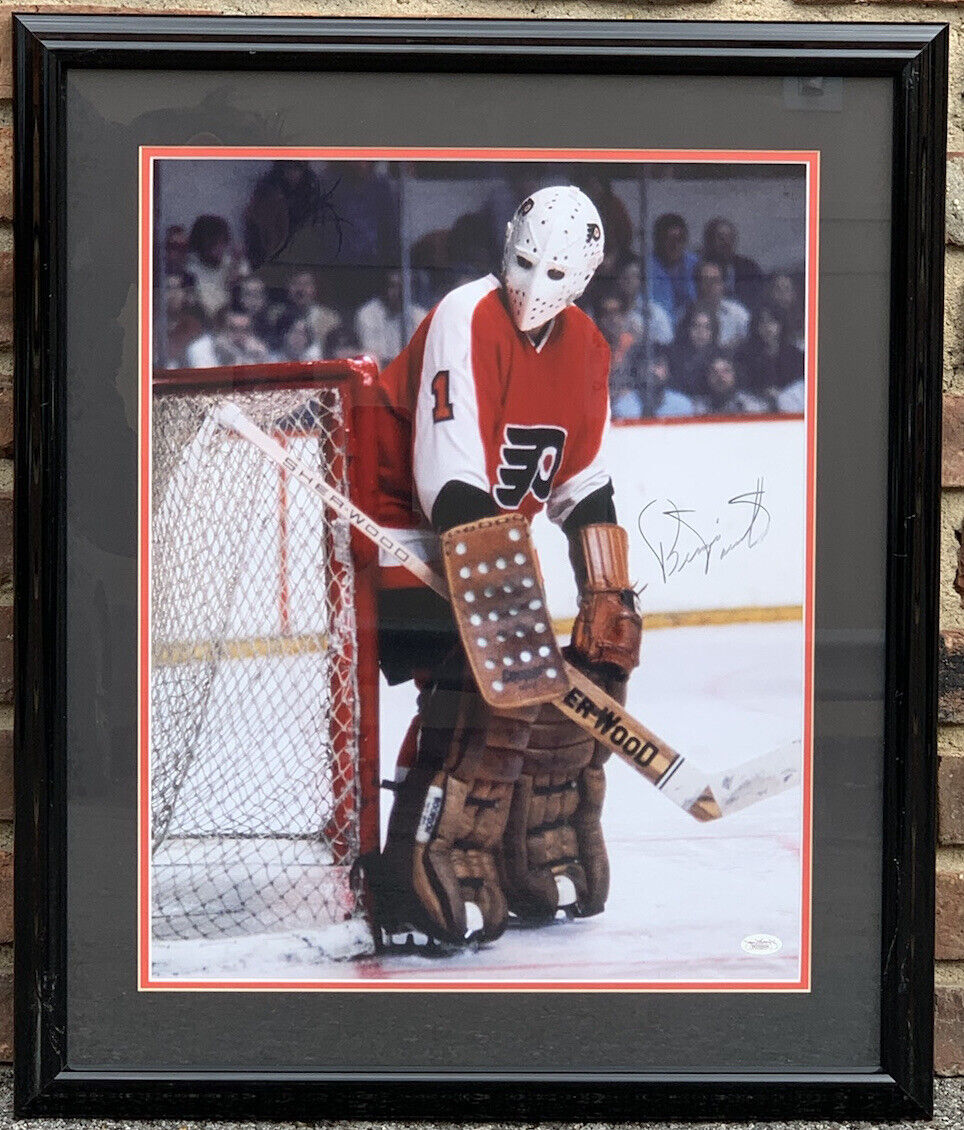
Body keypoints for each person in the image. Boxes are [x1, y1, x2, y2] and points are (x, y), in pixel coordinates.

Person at [367, 185, 642, 949]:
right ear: (507, 244)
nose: (532, 285)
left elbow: (581, 482)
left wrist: (605, 586)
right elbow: (445, 481)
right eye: (523, 261)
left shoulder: (587, 347)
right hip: (401, 540)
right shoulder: (467, 312)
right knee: (487, 694)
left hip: (486, 551)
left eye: (553, 272)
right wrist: (503, 599)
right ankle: (414, 862)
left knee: (585, 669)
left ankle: (522, 853)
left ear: (584, 275)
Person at [354, 269, 427, 369]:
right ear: (384, 288)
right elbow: (373, 357)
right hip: (381, 374)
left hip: (410, 373)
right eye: (393, 286)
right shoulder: (367, 313)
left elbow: (421, 355)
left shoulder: (420, 315)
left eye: (402, 287)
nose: (398, 292)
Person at [183, 214, 249, 320]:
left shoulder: (234, 262)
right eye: (214, 244)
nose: (220, 248)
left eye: (223, 242)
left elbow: (243, 296)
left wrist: (235, 266)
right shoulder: (191, 268)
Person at [735, 305, 804, 404]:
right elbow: (743, 384)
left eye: (771, 321)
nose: (767, 327)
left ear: (780, 324)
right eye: (762, 322)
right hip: (755, 402)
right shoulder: (744, 355)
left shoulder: (795, 355)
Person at [612, 345, 695, 421]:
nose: (651, 369)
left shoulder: (682, 406)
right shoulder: (623, 406)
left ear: (668, 370)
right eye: (646, 364)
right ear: (638, 370)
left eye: (658, 364)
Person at [701, 217, 764, 310]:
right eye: (721, 238)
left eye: (730, 238)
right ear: (709, 241)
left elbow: (757, 302)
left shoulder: (749, 269)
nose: (726, 243)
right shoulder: (698, 268)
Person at [648, 213, 699, 325]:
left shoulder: (695, 265)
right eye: (670, 240)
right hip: (658, 326)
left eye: (680, 239)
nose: (675, 245)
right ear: (659, 241)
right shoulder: (646, 267)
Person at [613, 255, 673, 346]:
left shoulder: (654, 313)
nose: (629, 280)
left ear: (641, 281)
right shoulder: (608, 309)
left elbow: (667, 341)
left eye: (634, 276)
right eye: (625, 275)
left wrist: (644, 337)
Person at [691, 260, 749, 348]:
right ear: (698, 284)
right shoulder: (686, 314)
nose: (710, 285)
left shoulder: (738, 314)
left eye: (715, 280)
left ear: (723, 284)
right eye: (705, 280)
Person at [185, 308, 271, 369]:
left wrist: (260, 360)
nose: (240, 335)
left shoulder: (256, 350)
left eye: (245, 330)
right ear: (220, 330)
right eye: (233, 329)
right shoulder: (199, 349)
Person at [668, 302, 719, 398]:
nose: (701, 332)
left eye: (707, 327)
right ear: (687, 328)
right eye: (696, 326)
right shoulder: (672, 356)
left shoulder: (720, 357)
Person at [693, 355, 768, 416]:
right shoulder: (697, 407)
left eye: (726, 371)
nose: (720, 376)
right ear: (708, 377)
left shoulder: (750, 406)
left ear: (735, 375)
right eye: (714, 372)